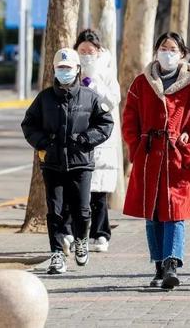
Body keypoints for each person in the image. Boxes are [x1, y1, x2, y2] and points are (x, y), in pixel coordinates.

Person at [122, 32, 190, 290]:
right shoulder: (141, 83)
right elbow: (129, 119)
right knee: (153, 214)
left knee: (176, 212)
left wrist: (187, 149)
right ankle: (158, 263)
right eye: (162, 47)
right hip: (149, 156)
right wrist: (137, 148)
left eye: (172, 48)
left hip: (176, 158)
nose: (167, 52)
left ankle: (172, 263)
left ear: (182, 53)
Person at [21, 48, 114, 275]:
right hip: (52, 164)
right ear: (54, 69)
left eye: (68, 68)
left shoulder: (90, 97)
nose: (64, 71)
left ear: (77, 69)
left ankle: (81, 240)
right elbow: (28, 124)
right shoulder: (44, 98)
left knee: (82, 210)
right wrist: (44, 143)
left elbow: (105, 124)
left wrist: (85, 140)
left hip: (81, 163)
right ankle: (56, 255)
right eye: (60, 68)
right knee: (55, 211)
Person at [61, 29, 122, 254]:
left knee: (98, 192)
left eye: (91, 50)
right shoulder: (68, 72)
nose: (87, 54)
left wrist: (93, 83)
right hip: (74, 139)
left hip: (99, 140)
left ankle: (100, 234)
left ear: (99, 51)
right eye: (82, 50)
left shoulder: (106, 73)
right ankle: (70, 233)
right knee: (71, 189)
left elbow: (112, 101)